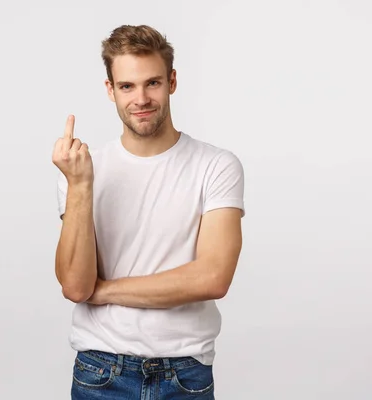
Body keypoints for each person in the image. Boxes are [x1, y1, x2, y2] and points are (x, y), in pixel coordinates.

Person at [51, 24, 245, 400]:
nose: (141, 98)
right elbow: (75, 286)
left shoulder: (217, 165)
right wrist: (80, 186)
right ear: (110, 90)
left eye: (152, 83)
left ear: (172, 81)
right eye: (127, 86)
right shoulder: (84, 170)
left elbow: (212, 277)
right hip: (100, 370)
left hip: (185, 373)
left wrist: (105, 291)